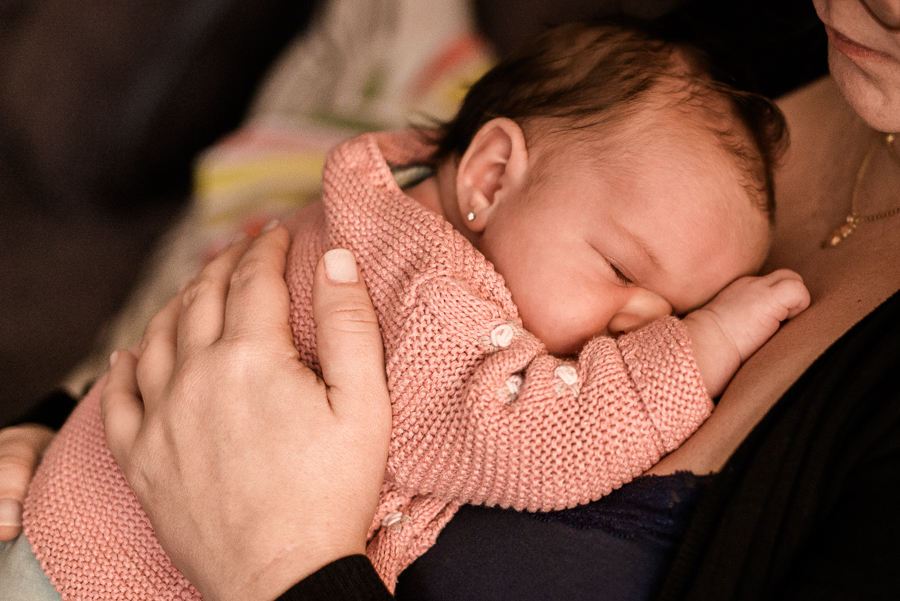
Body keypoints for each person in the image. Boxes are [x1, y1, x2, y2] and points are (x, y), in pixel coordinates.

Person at [6, 0, 899, 598]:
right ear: (490, 173)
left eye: (674, 307)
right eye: (626, 273)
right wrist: (703, 341)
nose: (645, 319)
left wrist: (285, 571)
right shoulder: (436, 296)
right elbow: (523, 435)